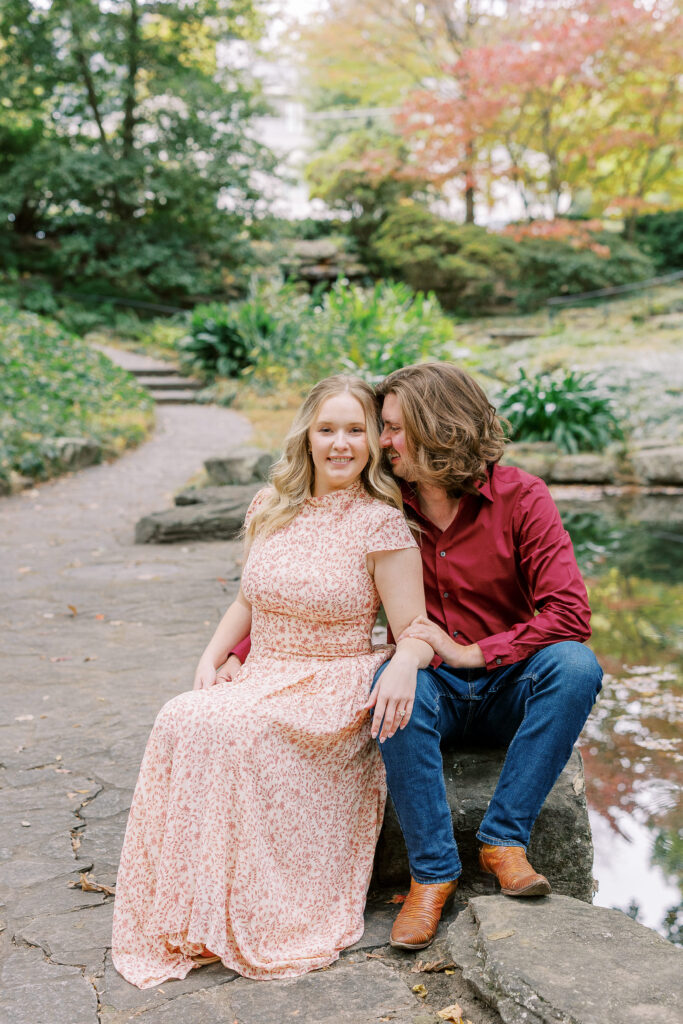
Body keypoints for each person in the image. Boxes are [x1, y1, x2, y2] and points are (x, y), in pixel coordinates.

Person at [111, 374, 433, 988]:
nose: (342, 444)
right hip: (267, 668)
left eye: (357, 430)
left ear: (372, 442)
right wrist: (213, 655)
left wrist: (404, 665)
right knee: (182, 714)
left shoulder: (381, 524)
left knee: (236, 730)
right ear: (306, 436)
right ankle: (188, 906)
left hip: (333, 679)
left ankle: (253, 908)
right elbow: (246, 600)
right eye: (327, 429)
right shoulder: (270, 507)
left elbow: (412, 627)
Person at [372, 362, 603, 950]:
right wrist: (242, 652)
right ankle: (433, 874)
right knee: (392, 684)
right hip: (434, 689)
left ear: (439, 427)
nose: (384, 441)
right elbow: (311, 575)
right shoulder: (383, 504)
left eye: (396, 428)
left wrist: (476, 651)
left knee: (576, 666)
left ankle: (503, 840)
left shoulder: (522, 496)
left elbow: (570, 615)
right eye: (384, 427)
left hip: (508, 687)